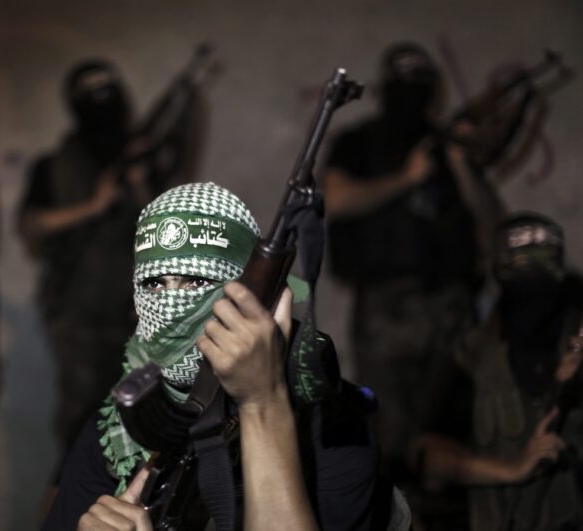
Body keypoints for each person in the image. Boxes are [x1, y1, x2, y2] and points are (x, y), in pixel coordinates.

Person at [42, 182, 400, 531]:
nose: (171, 305)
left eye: (195, 282)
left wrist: (263, 402)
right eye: (155, 284)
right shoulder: (119, 430)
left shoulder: (329, 427)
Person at [321, 42, 502, 481]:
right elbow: (335, 199)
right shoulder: (359, 142)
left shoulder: (446, 144)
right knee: (386, 434)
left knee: (443, 432)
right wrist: (406, 178)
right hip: (387, 306)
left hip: (449, 307)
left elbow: (494, 227)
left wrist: (460, 164)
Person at [17, 59, 203, 461]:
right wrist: (94, 206)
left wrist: (139, 185)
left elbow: (171, 236)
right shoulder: (55, 165)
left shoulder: (143, 161)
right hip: (77, 317)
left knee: (144, 428)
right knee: (82, 428)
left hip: (139, 319)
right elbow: (32, 226)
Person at [414, 212, 583, 531]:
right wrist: (512, 469)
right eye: (522, 272)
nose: (535, 293)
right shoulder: (472, 355)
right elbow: (429, 456)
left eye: (543, 270)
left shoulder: (576, 340)